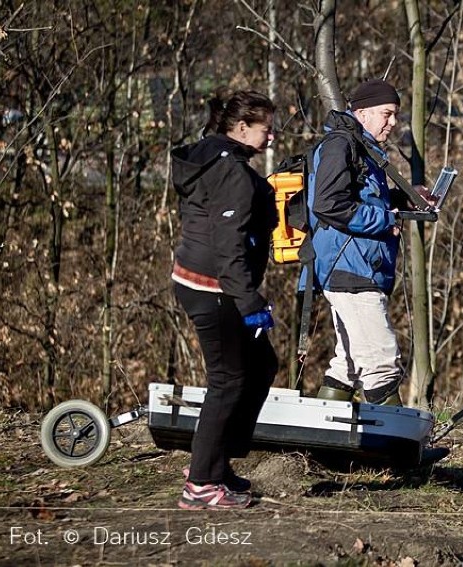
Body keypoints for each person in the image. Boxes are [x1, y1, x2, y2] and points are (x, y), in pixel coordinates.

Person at [170, 89, 279, 509]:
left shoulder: (214, 158)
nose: (272, 137)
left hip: (208, 282)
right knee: (228, 381)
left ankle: (215, 461)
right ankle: (200, 484)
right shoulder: (231, 171)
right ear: (240, 128)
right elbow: (228, 245)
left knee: (262, 365)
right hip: (214, 288)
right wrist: (249, 301)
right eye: (266, 129)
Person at [300, 78, 420, 406]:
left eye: (395, 114)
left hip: (354, 266)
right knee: (381, 361)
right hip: (349, 268)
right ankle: (400, 453)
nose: (393, 122)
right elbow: (329, 204)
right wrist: (387, 220)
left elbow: (360, 198)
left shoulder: (359, 146)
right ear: (363, 113)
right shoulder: (342, 145)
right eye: (387, 114)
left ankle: (319, 445)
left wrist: (403, 199)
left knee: (349, 364)